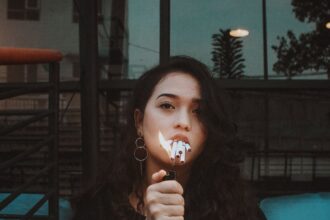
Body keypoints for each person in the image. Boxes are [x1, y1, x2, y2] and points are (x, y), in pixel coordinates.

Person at [72, 56, 265, 220]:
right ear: (139, 122)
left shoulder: (237, 210)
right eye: (167, 106)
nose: (183, 122)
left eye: (199, 111)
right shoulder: (99, 207)